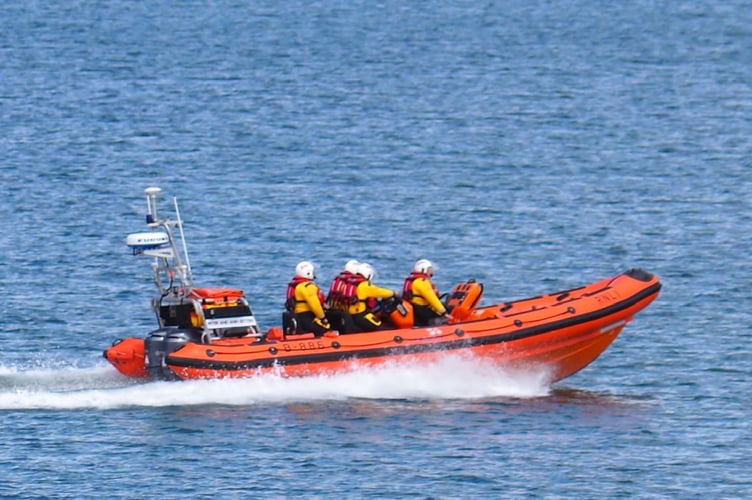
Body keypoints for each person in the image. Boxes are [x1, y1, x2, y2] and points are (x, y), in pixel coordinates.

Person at [285, 261, 331, 337]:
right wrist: (323, 318)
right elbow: (315, 305)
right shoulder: (307, 287)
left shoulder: (295, 285)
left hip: (297, 317)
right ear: (308, 273)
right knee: (325, 330)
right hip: (307, 317)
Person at [346, 262, 396, 332]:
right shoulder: (365, 285)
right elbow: (382, 292)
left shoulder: (349, 282)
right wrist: (393, 293)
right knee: (381, 328)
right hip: (360, 317)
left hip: (350, 315)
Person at [402, 259, 451, 326]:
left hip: (415, 310)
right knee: (446, 309)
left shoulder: (412, 281)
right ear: (423, 270)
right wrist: (444, 312)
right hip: (421, 311)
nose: (431, 272)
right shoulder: (422, 282)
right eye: (429, 269)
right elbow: (432, 299)